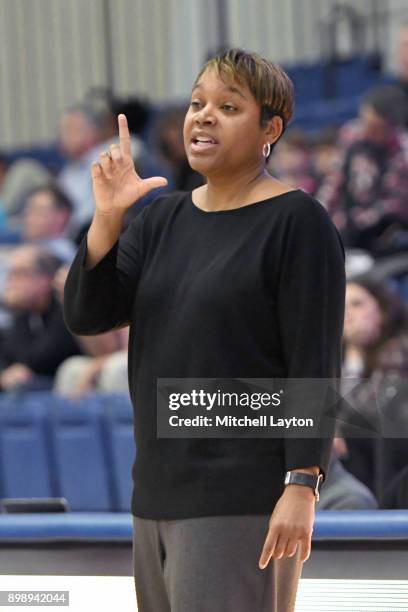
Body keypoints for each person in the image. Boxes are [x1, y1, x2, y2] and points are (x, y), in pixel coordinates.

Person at [64, 48, 345, 612]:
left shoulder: (298, 221)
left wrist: (302, 482)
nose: (204, 116)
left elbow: (313, 361)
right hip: (156, 490)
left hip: (243, 495)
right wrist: (107, 220)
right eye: (197, 104)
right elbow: (88, 316)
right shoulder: (160, 218)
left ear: (270, 128)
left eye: (228, 106)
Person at [336, 275, 408, 496]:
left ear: (383, 310)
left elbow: (371, 413)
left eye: (357, 304)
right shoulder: (338, 362)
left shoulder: (401, 349)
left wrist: (354, 354)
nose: (348, 314)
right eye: (342, 306)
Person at [317, 84, 408, 257]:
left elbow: (392, 206)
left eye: (375, 128)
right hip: (346, 225)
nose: (366, 132)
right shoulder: (351, 134)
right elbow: (334, 182)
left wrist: (351, 224)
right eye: (364, 121)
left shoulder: (403, 154)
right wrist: (319, 215)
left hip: (382, 232)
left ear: (393, 128)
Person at [0, 245, 80, 391]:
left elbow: (47, 356)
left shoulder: (62, 305)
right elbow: (8, 354)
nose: (11, 282)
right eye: (10, 274)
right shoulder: (24, 313)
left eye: (20, 273)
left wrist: (19, 368)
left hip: (64, 384)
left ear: (46, 278)